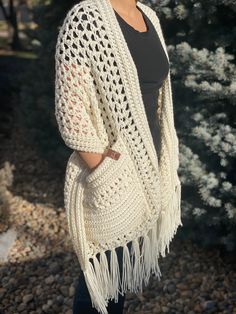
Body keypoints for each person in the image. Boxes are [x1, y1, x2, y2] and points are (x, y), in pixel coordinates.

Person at [54, 0, 182, 313]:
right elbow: (70, 108)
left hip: (150, 166)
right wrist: (102, 168)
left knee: (118, 277)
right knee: (101, 280)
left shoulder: (148, 15)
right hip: (116, 173)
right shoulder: (86, 17)